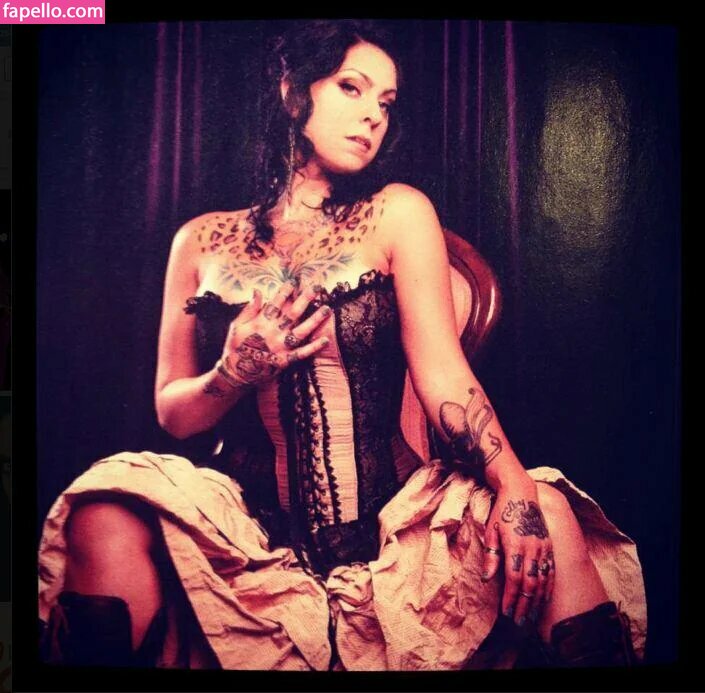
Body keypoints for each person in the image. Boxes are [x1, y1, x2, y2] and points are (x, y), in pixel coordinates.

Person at [38, 19, 646, 671]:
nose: (373, 115)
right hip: (249, 538)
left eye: (386, 101)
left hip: (394, 528)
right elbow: (174, 414)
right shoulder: (199, 240)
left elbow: (444, 375)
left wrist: (515, 487)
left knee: (547, 509)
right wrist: (232, 372)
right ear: (292, 92)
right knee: (102, 512)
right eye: (351, 88)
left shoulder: (397, 212)